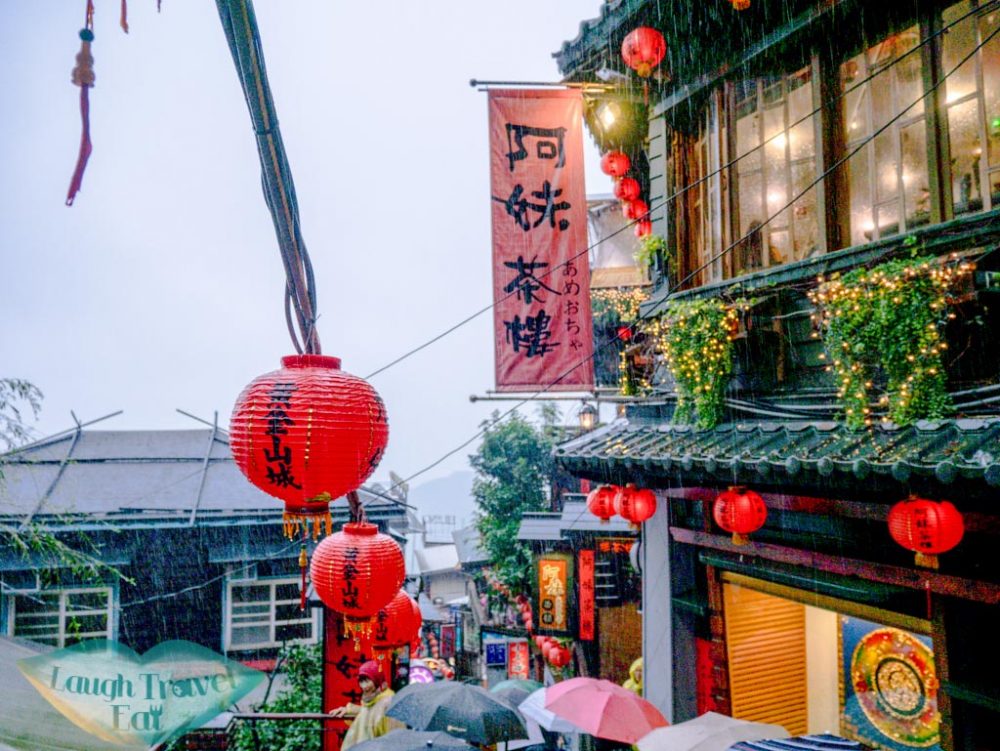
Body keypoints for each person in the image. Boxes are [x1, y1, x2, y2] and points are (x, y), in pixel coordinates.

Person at [330, 660, 404, 750]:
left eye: (368, 681)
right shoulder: (371, 701)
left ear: (377, 680)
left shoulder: (389, 703)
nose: (364, 686)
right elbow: (370, 712)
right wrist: (349, 710)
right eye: (361, 681)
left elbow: (395, 739)